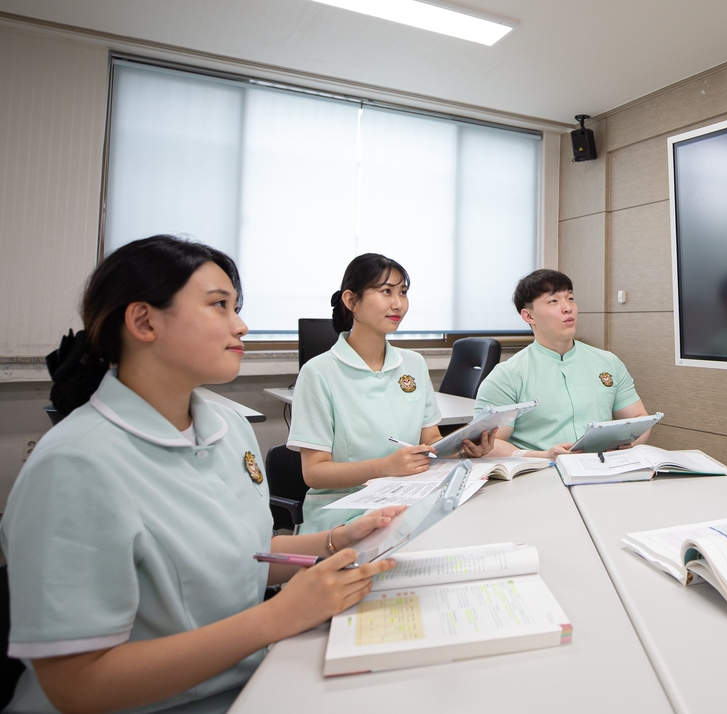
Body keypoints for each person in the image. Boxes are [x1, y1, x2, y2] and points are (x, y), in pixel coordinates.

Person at [1, 236, 400, 714]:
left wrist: (336, 539)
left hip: (250, 679)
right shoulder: (74, 464)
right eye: (219, 306)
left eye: (237, 307)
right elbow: (77, 684)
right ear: (144, 320)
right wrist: (279, 616)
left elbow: (235, 554)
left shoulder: (227, 427)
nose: (241, 325)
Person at [287, 253, 491, 534]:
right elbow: (314, 473)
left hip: (409, 501)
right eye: (386, 292)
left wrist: (465, 450)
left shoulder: (413, 363)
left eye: (403, 292)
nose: (398, 304)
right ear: (351, 301)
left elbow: (430, 441)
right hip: (343, 513)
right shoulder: (318, 372)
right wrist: (384, 466)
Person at [474, 269, 652, 458]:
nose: (567, 307)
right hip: (540, 475)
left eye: (570, 298)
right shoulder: (507, 374)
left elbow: (639, 419)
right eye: (553, 301)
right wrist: (543, 456)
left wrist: (629, 442)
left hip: (602, 471)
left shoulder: (607, 361)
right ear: (529, 316)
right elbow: (487, 443)